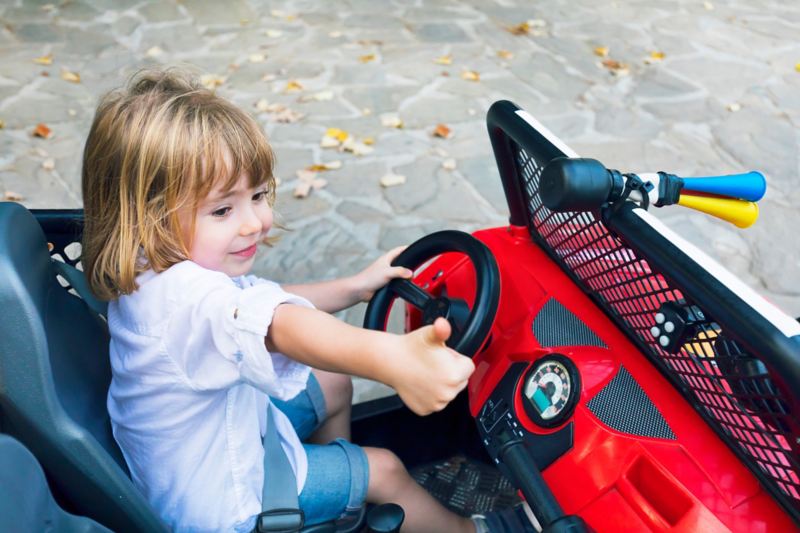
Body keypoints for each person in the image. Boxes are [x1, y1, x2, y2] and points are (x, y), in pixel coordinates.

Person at [80, 68, 481, 533]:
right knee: (386, 470)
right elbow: (278, 325)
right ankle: (466, 530)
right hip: (226, 504)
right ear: (150, 217)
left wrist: (355, 286)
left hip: (218, 443)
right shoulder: (187, 300)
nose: (256, 222)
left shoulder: (153, 267)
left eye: (258, 195)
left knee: (331, 379)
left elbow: (268, 302)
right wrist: (390, 357)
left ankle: (335, 503)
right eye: (223, 210)